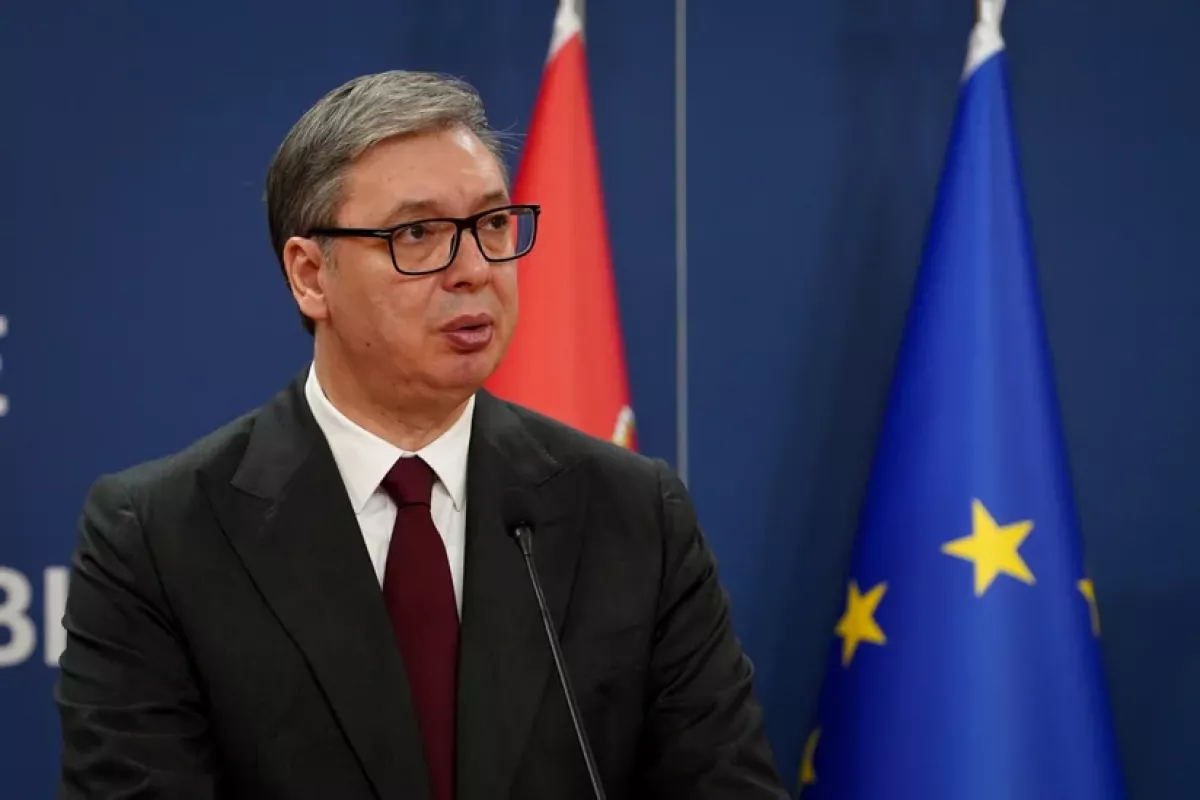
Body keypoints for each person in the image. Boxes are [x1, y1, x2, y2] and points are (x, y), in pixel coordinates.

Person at [54, 70, 787, 800]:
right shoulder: (159, 538)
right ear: (310, 276)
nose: (474, 270)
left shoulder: (633, 513)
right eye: (417, 234)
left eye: (492, 224)